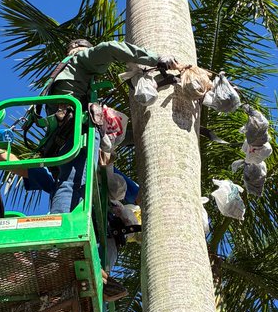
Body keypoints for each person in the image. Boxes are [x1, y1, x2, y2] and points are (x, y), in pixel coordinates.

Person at [38, 37, 176, 215]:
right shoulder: (80, 59)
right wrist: (155, 58)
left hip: (62, 137)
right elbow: (109, 48)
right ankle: (64, 225)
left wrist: (138, 137)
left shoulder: (62, 75)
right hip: (77, 130)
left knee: (74, 178)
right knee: (76, 180)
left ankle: (63, 221)